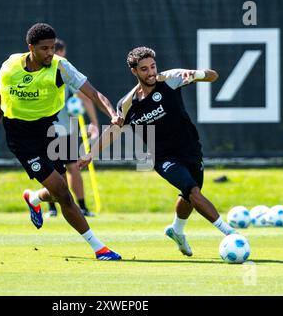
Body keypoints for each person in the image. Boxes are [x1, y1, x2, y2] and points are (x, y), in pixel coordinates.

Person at [78, 46, 236, 257]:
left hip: (190, 149)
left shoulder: (170, 78)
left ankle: (176, 230)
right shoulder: (127, 104)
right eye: (144, 69)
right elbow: (114, 132)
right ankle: (231, 234)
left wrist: (197, 74)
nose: (151, 72)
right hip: (162, 158)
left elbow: (213, 76)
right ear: (134, 71)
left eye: (153, 66)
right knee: (193, 192)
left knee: (190, 196)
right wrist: (91, 153)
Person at [0, 23, 121, 260]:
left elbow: (92, 92)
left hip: (49, 129)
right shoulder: (9, 68)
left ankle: (34, 197)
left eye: (52, 48)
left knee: (60, 190)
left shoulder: (61, 67)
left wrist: (112, 113)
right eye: (44, 48)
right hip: (19, 136)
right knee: (63, 193)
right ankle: (99, 248)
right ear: (31, 48)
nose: (50, 53)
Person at [47, 39, 98, 218]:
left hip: (64, 130)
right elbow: (85, 98)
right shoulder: (52, 71)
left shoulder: (65, 74)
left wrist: (93, 122)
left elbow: (83, 98)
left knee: (72, 168)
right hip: (47, 130)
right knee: (50, 171)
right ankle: (52, 208)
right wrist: (94, 122)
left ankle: (81, 206)